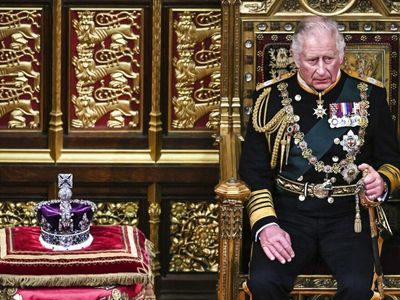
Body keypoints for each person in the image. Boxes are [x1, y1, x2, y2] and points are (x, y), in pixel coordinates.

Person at [239, 15, 400, 300]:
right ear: (295, 57)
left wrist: (382, 181)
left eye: (329, 58)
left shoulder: (370, 97)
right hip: (288, 214)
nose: (322, 70)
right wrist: (267, 224)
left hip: (349, 216)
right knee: (264, 283)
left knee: (357, 288)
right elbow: (254, 170)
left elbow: (391, 161)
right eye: (313, 60)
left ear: (341, 55)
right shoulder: (271, 99)